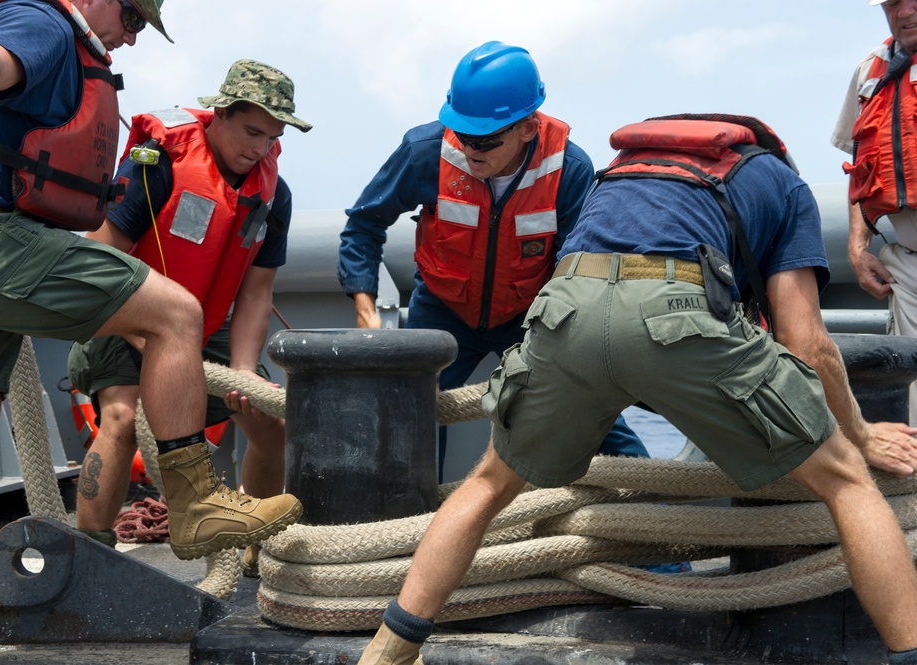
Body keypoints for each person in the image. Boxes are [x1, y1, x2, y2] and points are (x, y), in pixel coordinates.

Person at [355, 114, 917, 665]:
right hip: (676, 314)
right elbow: (806, 340)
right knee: (847, 482)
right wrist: (860, 433)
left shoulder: (624, 170)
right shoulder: (785, 185)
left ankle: (390, 650)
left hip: (565, 309)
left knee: (487, 485)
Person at [0, 2, 301, 663]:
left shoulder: (271, 193)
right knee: (171, 320)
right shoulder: (43, 22)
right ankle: (194, 507)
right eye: (130, 16)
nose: (127, 37)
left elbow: (256, 293)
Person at [337, 41, 647, 476]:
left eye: (485, 139)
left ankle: (648, 500)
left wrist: (560, 341)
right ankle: (411, 526)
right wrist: (366, 310)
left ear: (527, 127)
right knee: (404, 415)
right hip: (442, 309)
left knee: (590, 404)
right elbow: (363, 227)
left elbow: (579, 269)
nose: (470, 149)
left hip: (528, 316)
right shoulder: (424, 151)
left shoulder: (569, 170)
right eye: (462, 134)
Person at [67, 59, 311, 579]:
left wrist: (244, 369)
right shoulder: (157, 163)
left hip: (211, 324)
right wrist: (146, 333)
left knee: (270, 423)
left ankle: (255, 548)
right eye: (251, 131)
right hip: (126, 306)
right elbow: (104, 256)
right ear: (219, 114)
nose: (260, 148)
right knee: (122, 418)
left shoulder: (274, 197)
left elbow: (255, 293)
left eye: (272, 138)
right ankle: (89, 557)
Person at [834, 0, 917, 426]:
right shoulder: (871, 69)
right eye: (892, 3)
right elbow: (859, 170)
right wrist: (856, 247)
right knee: (913, 400)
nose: (905, 12)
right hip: (907, 263)